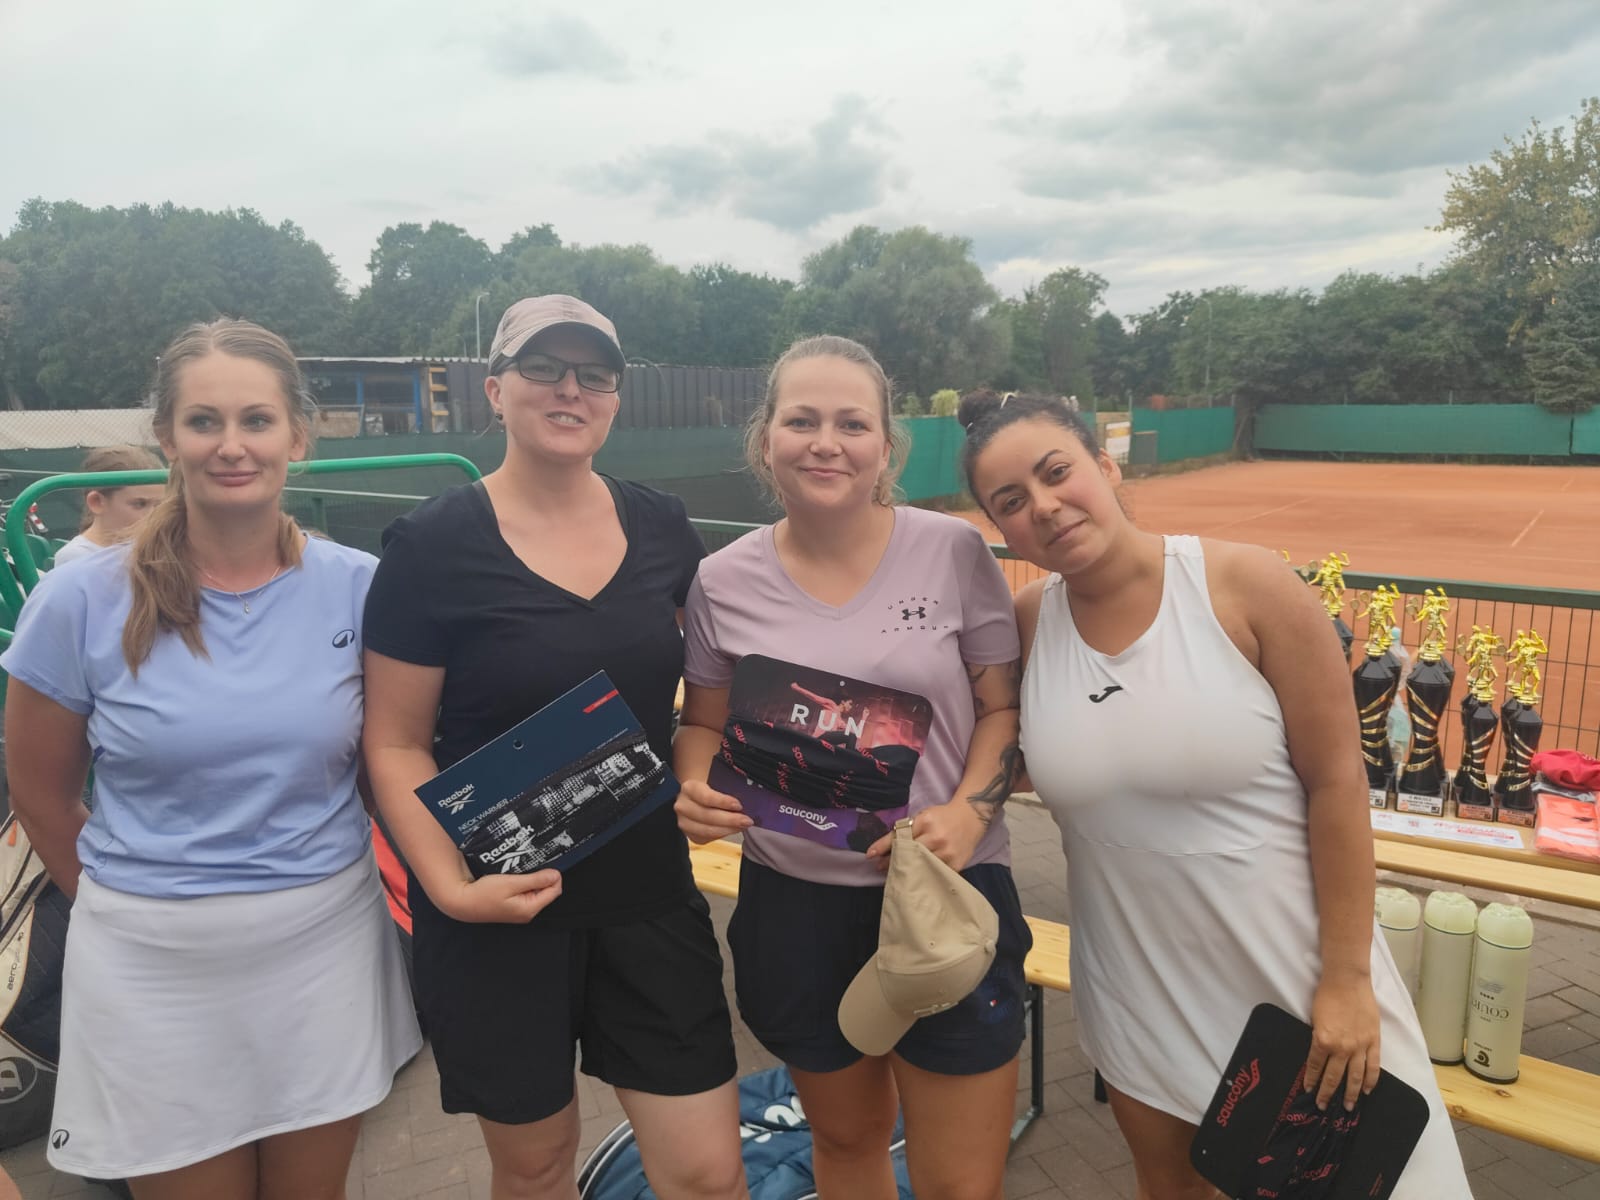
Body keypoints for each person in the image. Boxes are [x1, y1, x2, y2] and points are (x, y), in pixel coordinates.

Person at [958, 389, 1471, 1199]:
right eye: (1011, 501)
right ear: (1000, 529)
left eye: (1056, 473)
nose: (1044, 506)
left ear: (1105, 466)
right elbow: (993, 747)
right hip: (1136, 991)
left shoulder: (1247, 586)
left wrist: (1347, 980)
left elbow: (1338, 785)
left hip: (1295, 979)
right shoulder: (1026, 624)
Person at [0, 319, 421, 1200]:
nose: (232, 445)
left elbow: (395, 759)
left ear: (296, 437)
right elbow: (39, 794)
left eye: (256, 420)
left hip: (325, 953)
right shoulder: (78, 598)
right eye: (204, 421)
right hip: (152, 972)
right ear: (167, 437)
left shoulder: (360, 586)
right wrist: (132, 911)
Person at [361, 295, 747, 1200]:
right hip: (498, 910)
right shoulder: (430, 545)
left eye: (594, 375)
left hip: (648, 898)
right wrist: (451, 890)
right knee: (535, 1169)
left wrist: (702, 775)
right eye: (543, 368)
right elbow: (396, 743)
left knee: (707, 1173)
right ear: (495, 390)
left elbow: (709, 703)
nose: (570, 389)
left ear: (614, 399)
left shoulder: (664, 526)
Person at [674, 336, 1030, 1200]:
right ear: (766, 439)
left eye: (851, 423)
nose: (825, 443)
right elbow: (704, 726)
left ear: (886, 444)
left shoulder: (953, 551)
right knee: (845, 1141)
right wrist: (694, 787)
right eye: (802, 420)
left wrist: (969, 813)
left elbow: (1002, 709)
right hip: (793, 910)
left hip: (947, 894)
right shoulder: (720, 581)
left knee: (959, 1187)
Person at [50, 445, 166, 567]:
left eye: (159, 505)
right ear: (96, 502)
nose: (153, 515)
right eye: (140, 504)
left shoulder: (157, 547)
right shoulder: (77, 557)